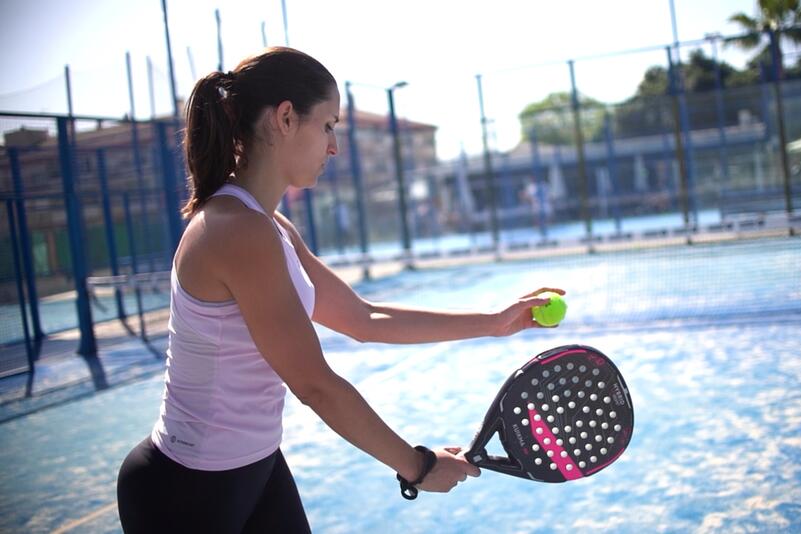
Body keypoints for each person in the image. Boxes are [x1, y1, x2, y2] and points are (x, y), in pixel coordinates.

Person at [116, 47, 564, 533]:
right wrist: (418, 465)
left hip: (255, 466)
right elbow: (314, 384)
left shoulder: (273, 227)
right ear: (286, 118)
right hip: (187, 492)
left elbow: (363, 318)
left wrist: (495, 322)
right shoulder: (235, 232)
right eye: (328, 125)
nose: (334, 146)